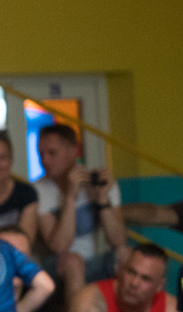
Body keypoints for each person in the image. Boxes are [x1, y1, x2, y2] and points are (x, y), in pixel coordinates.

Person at [35, 124, 126, 295]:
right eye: (41, 154)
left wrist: (102, 199)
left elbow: (118, 241)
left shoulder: (100, 182)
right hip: (58, 266)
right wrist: (70, 197)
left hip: (94, 262)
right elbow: (59, 246)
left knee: (126, 255)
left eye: (52, 153)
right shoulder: (38, 191)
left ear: (73, 151)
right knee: (72, 261)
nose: (45, 160)